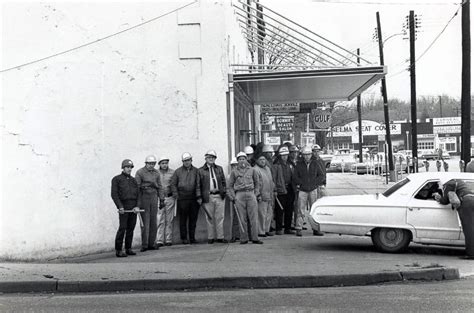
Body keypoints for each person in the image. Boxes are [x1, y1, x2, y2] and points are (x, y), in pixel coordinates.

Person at [434, 173, 474, 259]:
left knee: (468, 229)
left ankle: (471, 254)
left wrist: (438, 197)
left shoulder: (448, 184)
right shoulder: (458, 181)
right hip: (471, 200)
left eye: (439, 183)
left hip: (466, 203)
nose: (439, 184)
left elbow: (445, 201)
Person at [227, 152, 263, 245]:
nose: (242, 161)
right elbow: (229, 186)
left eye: (243, 159)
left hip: (251, 193)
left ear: (246, 160)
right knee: (241, 218)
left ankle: (255, 238)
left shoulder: (252, 170)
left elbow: (257, 182)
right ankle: (244, 238)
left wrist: (256, 193)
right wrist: (232, 196)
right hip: (239, 195)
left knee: (254, 217)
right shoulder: (234, 172)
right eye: (239, 159)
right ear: (237, 161)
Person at [111, 159, 140, 257]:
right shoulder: (116, 179)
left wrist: (137, 206)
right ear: (123, 168)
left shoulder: (133, 180)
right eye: (127, 167)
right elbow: (114, 194)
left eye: (130, 167)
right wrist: (120, 206)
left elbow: (138, 195)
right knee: (122, 228)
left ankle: (128, 248)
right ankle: (118, 250)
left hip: (133, 207)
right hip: (124, 207)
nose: (129, 169)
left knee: (131, 228)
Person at [293, 146, 325, 237]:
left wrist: (314, 184)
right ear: (302, 155)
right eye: (305, 155)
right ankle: (298, 228)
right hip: (303, 190)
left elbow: (321, 175)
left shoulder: (315, 163)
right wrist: (301, 183)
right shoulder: (299, 164)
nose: (307, 156)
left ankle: (316, 229)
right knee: (300, 209)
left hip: (313, 189)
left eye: (308, 154)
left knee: (314, 210)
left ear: (311, 155)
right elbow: (295, 177)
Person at [135, 155, 165, 252]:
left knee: (153, 221)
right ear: (146, 163)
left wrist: (161, 199)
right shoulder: (140, 172)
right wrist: (138, 203)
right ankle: (145, 244)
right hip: (144, 195)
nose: (151, 166)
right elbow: (137, 188)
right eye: (149, 164)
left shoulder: (156, 173)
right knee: (145, 221)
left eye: (153, 164)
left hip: (153, 195)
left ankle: (152, 243)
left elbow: (160, 187)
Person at [171, 152, 201, 244]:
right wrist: (176, 195)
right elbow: (173, 184)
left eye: (188, 160)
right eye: (185, 161)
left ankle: (192, 238)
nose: (187, 162)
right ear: (182, 161)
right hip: (182, 198)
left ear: (191, 160)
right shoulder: (178, 171)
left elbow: (198, 184)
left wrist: (199, 196)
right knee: (183, 219)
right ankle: (184, 238)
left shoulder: (196, 171)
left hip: (193, 198)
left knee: (193, 219)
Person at [198, 150, 227, 244]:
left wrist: (224, 191)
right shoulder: (200, 170)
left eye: (213, 157)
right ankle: (210, 237)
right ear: (205, 158)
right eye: (209, 157)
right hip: (208, 196)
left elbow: (223, 181)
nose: (211, 159)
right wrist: (199, 196)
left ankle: (220, 237)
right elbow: (198, 185)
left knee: (220, 217)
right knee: (209, 217)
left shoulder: (219, 168)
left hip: (219, 195)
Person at [274, 146, 295, 235]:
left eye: (286, 155)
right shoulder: (276, 165)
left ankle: (288, 228)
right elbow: (274, 178)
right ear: (279, 156)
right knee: (279, 210)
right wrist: (275, 189)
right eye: (283, 155)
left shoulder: (290, 164)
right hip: (280, 189)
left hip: (290, 188)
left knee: (289, 209)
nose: (284, 157)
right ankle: (279, 228)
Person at [156, 156, 175, 247]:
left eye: (166, 163)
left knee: (169, 220)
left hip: (170, 198)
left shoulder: (172, 172)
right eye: (162, 163)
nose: (164, 165)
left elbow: (175, 184)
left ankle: (168, 239)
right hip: (159, 198)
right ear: (159, 164)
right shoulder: (156, 173)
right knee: (160, 219)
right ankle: (159, 240)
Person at [254, 154, 275, 237]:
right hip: (261, 196)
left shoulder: (267, 169)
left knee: (269, 214)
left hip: (269, 195)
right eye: (261, 159)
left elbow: (271, 181)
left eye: (264, 159)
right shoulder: (255, 170)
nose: (263, 161)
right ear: (257, 160)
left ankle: (266, 229)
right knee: (261, 214)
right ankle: (261, 231)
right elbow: (256, 183)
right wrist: (258, 195)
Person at [228, 157, 240, 243]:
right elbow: (228, 188)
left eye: (236, 165)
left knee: (242, 217)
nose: (234, 167)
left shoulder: (241, 174)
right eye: (233, 165)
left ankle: (241, 234)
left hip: (241, 196)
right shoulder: (229, 176)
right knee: (235, 217)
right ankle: (234, 235)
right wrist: (231, 197)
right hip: (234, 197)